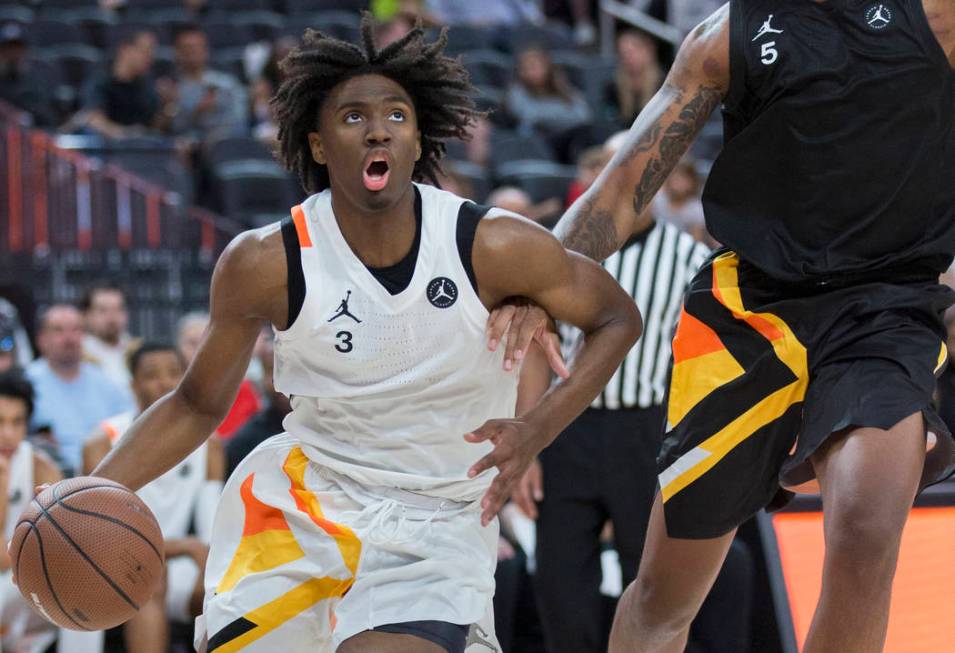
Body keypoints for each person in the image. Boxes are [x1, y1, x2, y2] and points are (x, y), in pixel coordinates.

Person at [89, 18, 640, 653]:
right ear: (318, 145)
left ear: (416, 141)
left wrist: (537, 428)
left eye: (396, 116)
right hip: (303, 503)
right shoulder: (266, 261)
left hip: (436, 518)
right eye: (352, 117)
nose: (378, 128)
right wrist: (92, 487)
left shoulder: (493, 244)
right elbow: (195, 403)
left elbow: (616, 318)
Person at [489, 2, 955, 651]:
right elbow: (622, 188)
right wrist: (541, 287)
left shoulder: (935, 18)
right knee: (661, 597)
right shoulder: (725, 37)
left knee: (867, 525)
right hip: (747, 314)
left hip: (880, 309)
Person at [82, 342, 224, 653]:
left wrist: (205, 558)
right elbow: (102, 538)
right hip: (118, 565)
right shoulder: (102, 441)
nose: (165, 382)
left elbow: (211, 531)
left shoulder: (209, 445)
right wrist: (184, 546)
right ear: (133, 385)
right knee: (149, 577)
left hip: (186, 565)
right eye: (152, 374)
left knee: (232, 584)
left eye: (175, 373)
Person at [25, 305, 132, 474]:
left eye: (76, 330)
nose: (69, 338)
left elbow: (130, 428)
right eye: (58, 330)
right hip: (46, 481)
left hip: (104, 477)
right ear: (41, 339)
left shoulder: (106, 383)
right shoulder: (26, 382)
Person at [0, 371, 62, 653]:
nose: (8, 434)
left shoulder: (42, 467)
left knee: (87, 582)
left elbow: (66, 542)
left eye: (17, 422)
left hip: (25, 579)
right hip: (14, 574)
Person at [176, 311, 262, 439]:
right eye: (192, 343)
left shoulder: (240, 389)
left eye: (205, 342)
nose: (199, 349)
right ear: (179, 345)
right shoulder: (171, 388)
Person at [167, 25, 249, 145]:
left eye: (196, 47)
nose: (191, 52)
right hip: (188, 145)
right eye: (186, 48)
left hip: (225, 142)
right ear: (177, 52)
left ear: (206, 50)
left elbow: (240, 119)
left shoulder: (227, 84)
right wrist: (196, 112)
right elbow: (174, 128)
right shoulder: (171, 88)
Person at [79, 30, 161, 140]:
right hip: (104, 147)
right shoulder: (100, 80)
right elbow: (93, 119)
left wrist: (167, 106)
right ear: (125, 49)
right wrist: (126, 135)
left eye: (152, 53)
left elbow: (153, 128)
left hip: (137, 151)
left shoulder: (148, 88)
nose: (149, 58)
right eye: (145, 51)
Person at [503, 45, 592, 139]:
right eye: (526, 68)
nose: (531, 72)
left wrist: (548, 114)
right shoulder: (516, 91)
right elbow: (530, 115)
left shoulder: (563, 89)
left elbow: (584, 115)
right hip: (539, 141)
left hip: (568, 137)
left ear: (547, 67)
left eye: (534, 66)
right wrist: (563, 112)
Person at [80, 282, 139, 399]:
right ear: (85, 316)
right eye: (103, 310)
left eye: (118, 309)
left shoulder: (138, 350)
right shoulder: (78, 355)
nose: (112, 317)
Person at [0, 21, 56, 127]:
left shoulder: (36, 81)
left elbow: (46, 119)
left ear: (25, 51)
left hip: (29, 137)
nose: (12, 54)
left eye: (17, 48)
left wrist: (24, 117)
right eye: (7, 49)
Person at [605, 30, 663, 127]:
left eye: (631, 52)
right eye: (623, 54)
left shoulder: (662, 83)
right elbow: (611, 119)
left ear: (645, 52)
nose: (627, 58)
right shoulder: (613, 85)